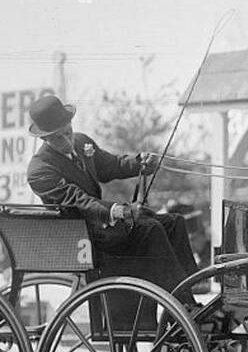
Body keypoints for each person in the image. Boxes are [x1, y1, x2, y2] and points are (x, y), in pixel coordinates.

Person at [25, 94, 202, 303]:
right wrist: (118, 210)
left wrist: (140, 164)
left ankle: (188, 291)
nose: (66, 141)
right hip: (85, 238)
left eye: (68, 132)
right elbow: (78, 200)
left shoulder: (82, 143)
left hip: (105, 230)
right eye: (58, 138)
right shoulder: (39, 170)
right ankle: (182, 305)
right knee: (150, 229)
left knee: (174, 223)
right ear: (44, 138)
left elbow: (112, 165)